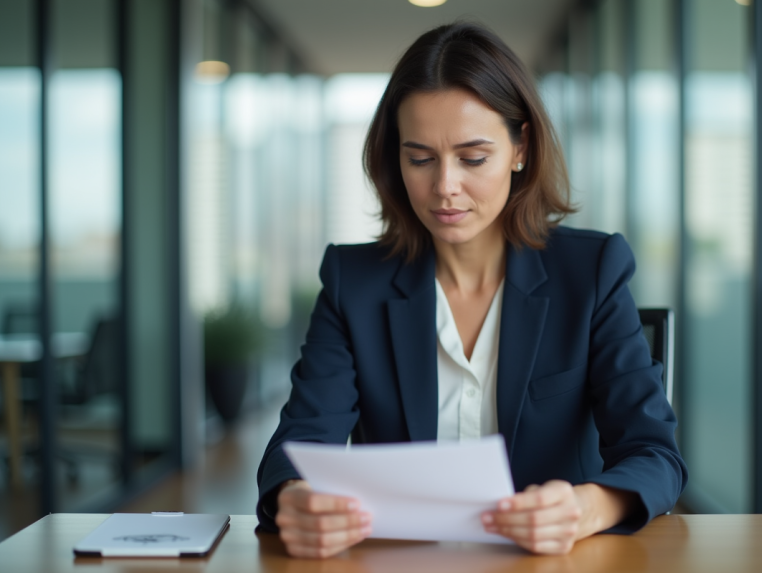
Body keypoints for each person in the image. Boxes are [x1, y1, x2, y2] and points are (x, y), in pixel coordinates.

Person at [256, 21, 687, 558]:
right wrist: (294, 497)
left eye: (473, 158)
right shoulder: (353, 282)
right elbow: (297, 445)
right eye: (420, 158)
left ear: (520, 147)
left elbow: (656, 455)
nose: (444, 187)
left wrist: (586, 509)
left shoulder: (592, 271)